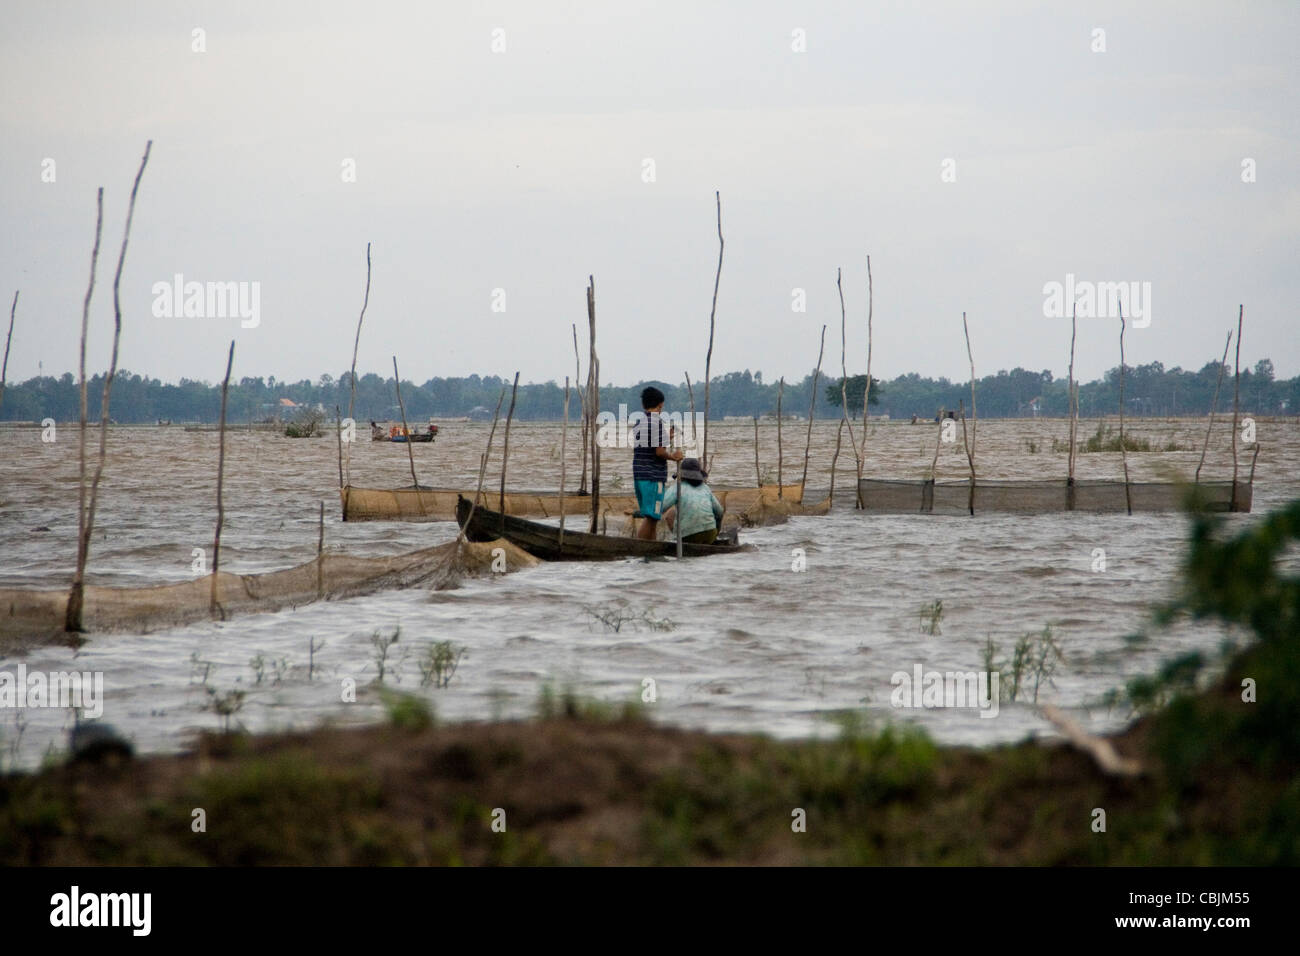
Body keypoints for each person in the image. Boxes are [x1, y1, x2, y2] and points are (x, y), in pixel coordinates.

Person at [631, 386, 683, 540]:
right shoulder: (657, 423)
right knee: (652, 516)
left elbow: (649, 445)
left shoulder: (639, 423)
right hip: (653, 476)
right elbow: (659, 452)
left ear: (643, 405)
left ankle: (651, 550)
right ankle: (640, 547)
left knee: (652, 516)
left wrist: (667, 438)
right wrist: (674, 457)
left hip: (639, 474)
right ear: (660, 405)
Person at [663, 458, 724, 544]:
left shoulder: (677, 488)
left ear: (681, 475)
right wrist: (716, 530)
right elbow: (720, 512)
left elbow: (661, 507)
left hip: (689, 536)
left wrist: (643, 513)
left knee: (670, 514)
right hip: (710, 533)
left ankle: (679, 541)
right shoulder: (705, 488)